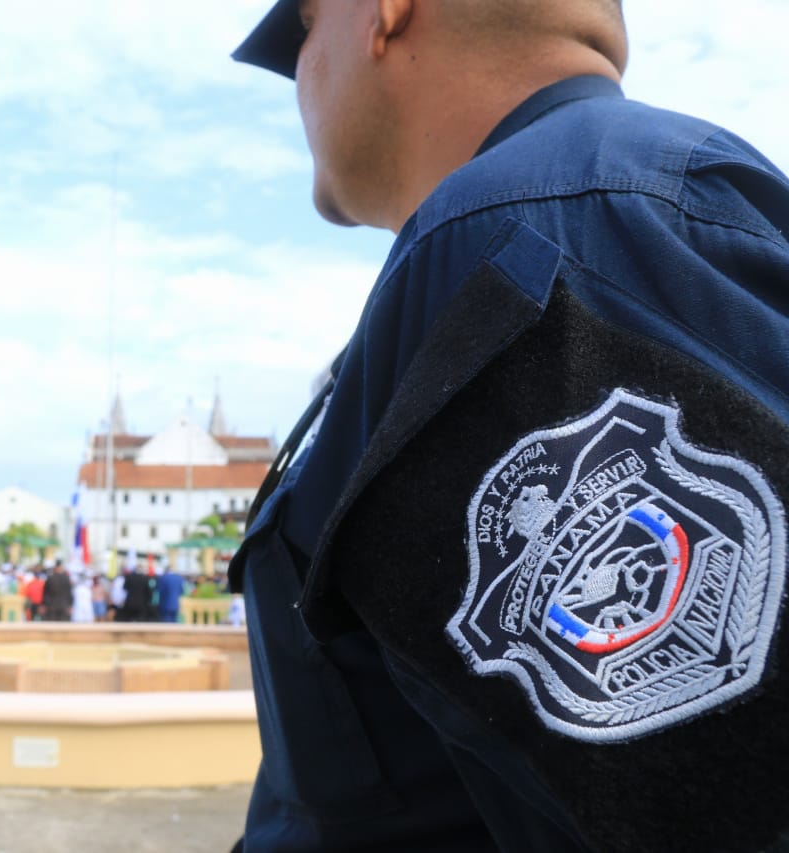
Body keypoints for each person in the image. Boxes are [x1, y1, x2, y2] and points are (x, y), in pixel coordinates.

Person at [228, 2, 789, 852]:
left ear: (385, 12)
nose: (298, 77)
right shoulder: (547, 224)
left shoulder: (530, 235)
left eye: (301, 30)